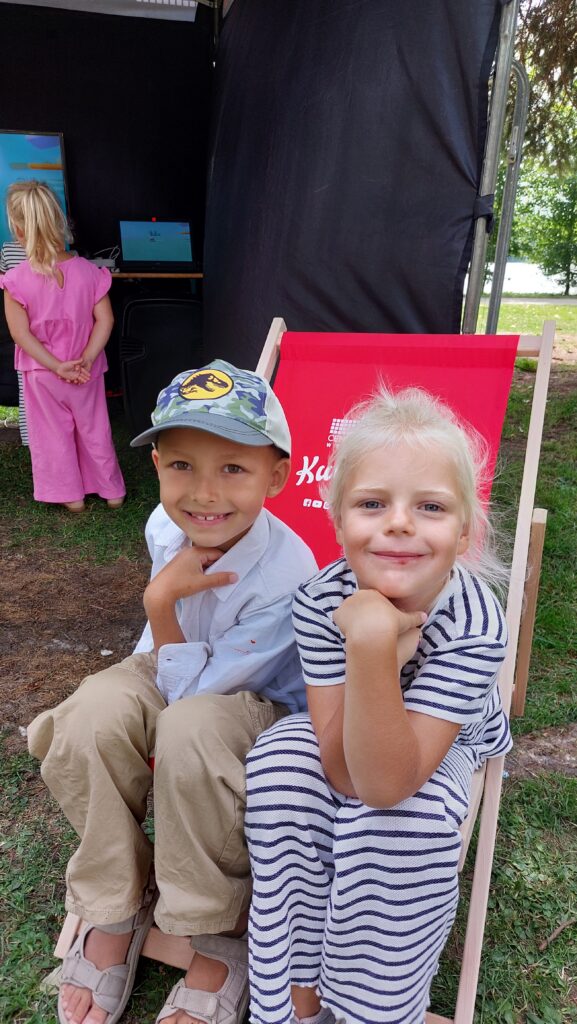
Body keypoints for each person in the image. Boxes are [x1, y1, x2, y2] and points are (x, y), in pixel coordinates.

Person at [27, 359, 318, 1024]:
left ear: (275, 478)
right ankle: (117, 905)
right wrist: (153, 635)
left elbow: (195, 699)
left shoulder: (287, 576)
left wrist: (160, 601)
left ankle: (219, 929)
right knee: (90, 717)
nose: (204, 493)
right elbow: (163, 669)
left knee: (190, 735)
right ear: (157, 464)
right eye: (182, 465)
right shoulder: (166, 524)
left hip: (257, 704)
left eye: (233, 468)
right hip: (174, 667)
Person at [245, 386, 513, 1024]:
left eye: (430, 506)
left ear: (465, 532)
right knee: (281, 772)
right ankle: (298, 996)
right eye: (372, 503)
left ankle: (374, 1006)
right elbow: (342, 771)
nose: (399, 523)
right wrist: (371, 648)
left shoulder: (475, 623)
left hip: (446, 739)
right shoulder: (320, 600)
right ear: (338, 523)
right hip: (349, 733)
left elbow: (386, 787)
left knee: (398, 825)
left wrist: (370, 645)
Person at [0, 180, 125, 511]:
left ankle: (71, 497)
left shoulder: (15, 280)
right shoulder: (91, 272)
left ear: (18, 230)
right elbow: (106, 320)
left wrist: (56, 366)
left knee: (52, 434)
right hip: (87, 371)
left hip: (43, 373)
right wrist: (87, 359)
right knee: (94, 429)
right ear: (60, 221)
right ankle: (112, 491)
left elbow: (20, 334)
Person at [0, 238, 28, 444]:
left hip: (26, 343)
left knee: (27, 387)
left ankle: (30, 438)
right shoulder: (71, 260)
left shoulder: (8, 251)